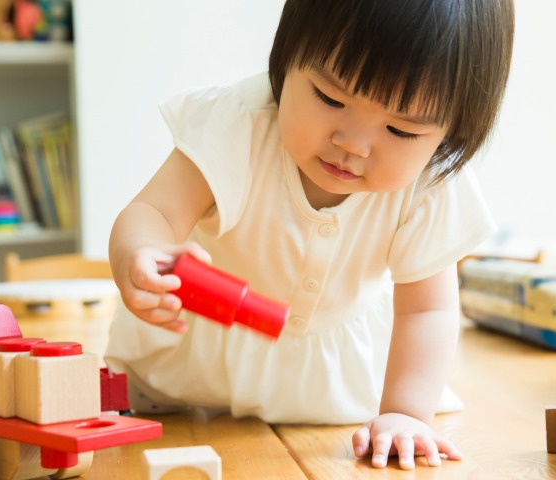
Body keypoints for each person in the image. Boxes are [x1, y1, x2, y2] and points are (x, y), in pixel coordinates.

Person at [105, 0, 514, 470]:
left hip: (334, 397)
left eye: (400, 130)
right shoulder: (238, 123)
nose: (353, 144)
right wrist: (140, 253)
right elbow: (152, 211)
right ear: (286, 59)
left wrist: (405, 412)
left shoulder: (432, 180)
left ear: (449, 135)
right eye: (331, 98)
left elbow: (428, 308)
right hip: (184, 381)